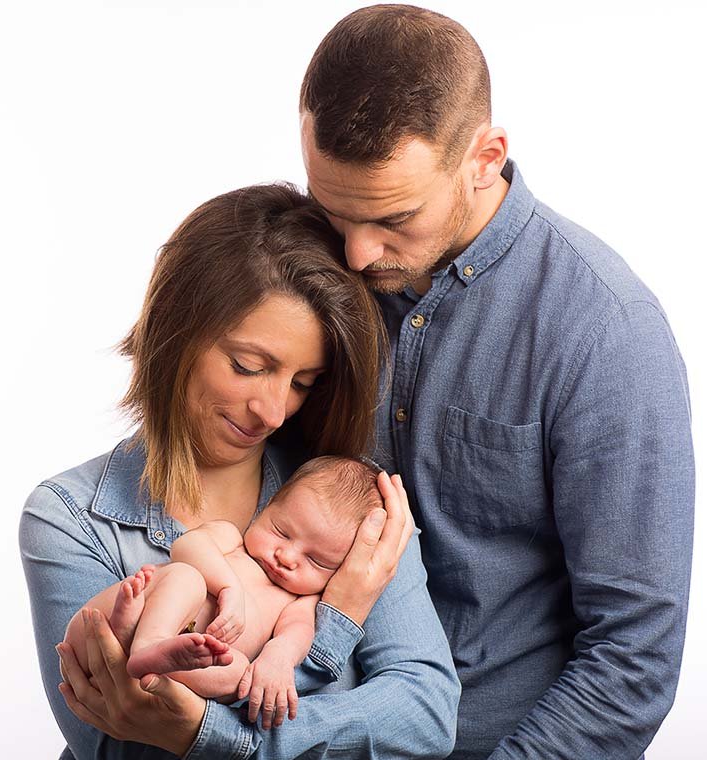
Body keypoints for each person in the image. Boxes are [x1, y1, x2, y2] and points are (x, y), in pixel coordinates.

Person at [297, 5, 694, 759]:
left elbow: (632, 660)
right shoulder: (314, 270)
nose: (353, 253)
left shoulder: (606, 330)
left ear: (486, 157)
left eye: (394, 217)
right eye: (333, 209)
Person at [20, 183, 460, 759]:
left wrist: (208, 731)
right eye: (249, 367)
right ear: (175, 334)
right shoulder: (70, 519)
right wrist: (341, 619)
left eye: (303, 383)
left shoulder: (349, 503)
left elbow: (425, 715)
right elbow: (111, 744)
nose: (275, 411)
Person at [61, 456, 382, 729]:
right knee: (188, 577)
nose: (286, 557)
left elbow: (294, 637)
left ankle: (167, 662)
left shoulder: (300, 602)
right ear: (266, 508)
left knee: (239, 673)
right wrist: (228, 587)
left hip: (144, 684)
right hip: (98, 633)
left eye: (316, 561)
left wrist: (277, 661)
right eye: (281, 531)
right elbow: (187, 546)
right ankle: (142, 639)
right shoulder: (231, 539)